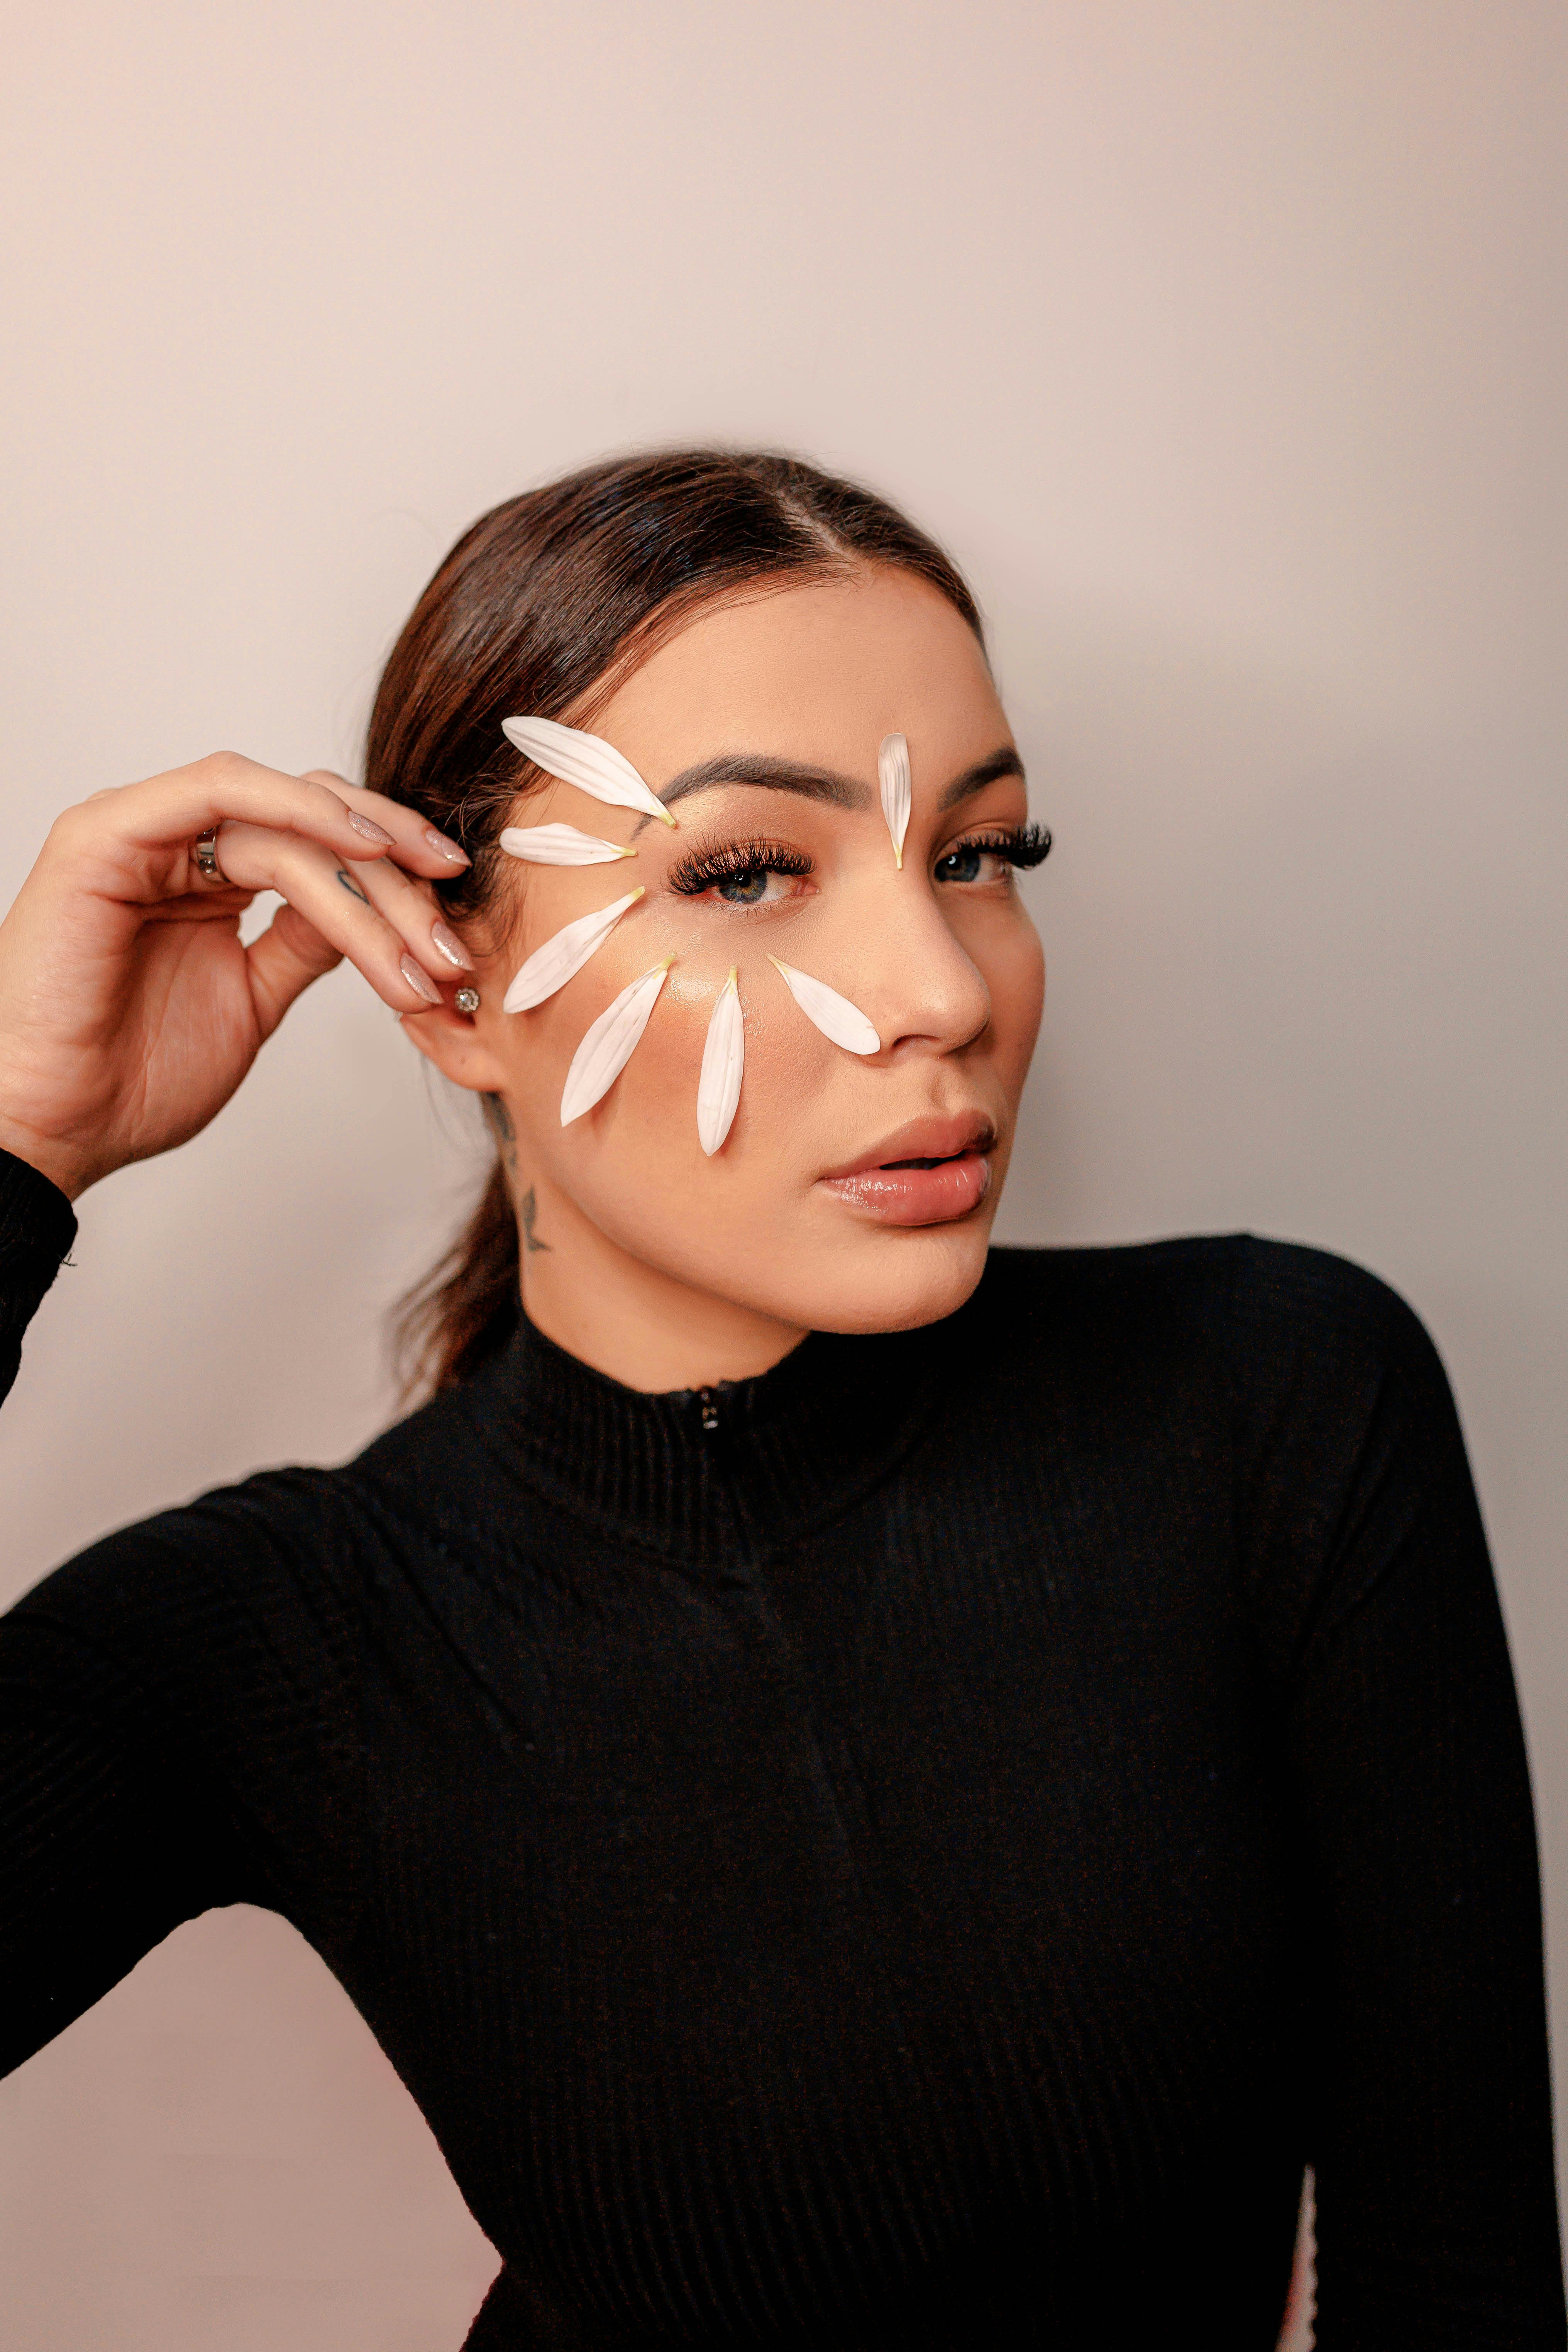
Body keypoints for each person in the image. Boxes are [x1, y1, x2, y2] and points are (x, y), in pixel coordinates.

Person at [0, 449, 1560, 2349]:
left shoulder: (1275, 1402)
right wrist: (15, 1149)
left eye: (976, 855)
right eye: (746, 870)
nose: (940, 990)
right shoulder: (283, 1638)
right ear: (451, 986)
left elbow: (1457, 2287)